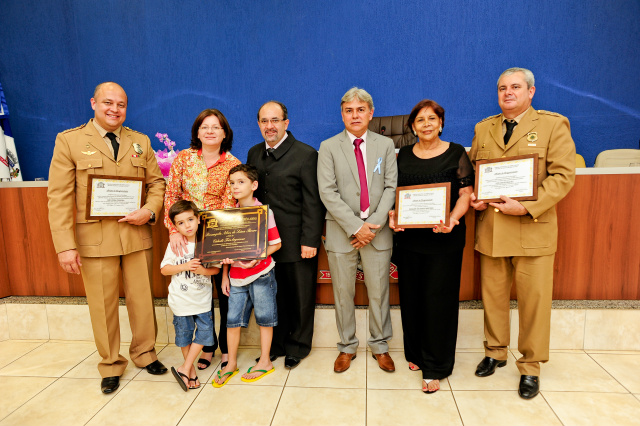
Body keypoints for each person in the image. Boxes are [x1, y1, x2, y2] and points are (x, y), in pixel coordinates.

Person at [47, 82, 168, 394]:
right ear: (93, 103)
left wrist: (150, 211)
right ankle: (111, 364)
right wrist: (65, 246)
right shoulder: (70, 141)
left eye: (121, 104)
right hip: (95, 240)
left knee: (143, 301)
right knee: (102, 305)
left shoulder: (140, 141)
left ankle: (144, 353)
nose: (115, 110)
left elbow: (156, 184)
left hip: (136, 235)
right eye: (108, 103)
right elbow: (58, 197)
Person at [468, 67, 576, 399]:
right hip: (494, 230)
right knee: (494, 298)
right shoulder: (483, 128)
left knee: (534, 303)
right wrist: (474, 196)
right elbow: (475, 173)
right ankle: (495, 352)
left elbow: (563, 176)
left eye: (515, 87)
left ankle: (530, 367)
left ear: (531, 91)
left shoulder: (552, 125)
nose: (508, 93)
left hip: (532, 228)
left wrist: (529, 206)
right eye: (502, 88)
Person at [389, 100, 473, 393]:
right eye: (420, 120)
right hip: (409, 241)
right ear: (412, 126)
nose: (426, 124)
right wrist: (392, 215)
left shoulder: (456, 152)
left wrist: (452, 218)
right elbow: (394, 194)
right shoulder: (401, 156)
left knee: (439, 302)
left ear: (441, 123)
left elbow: (466, 193)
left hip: (444, 239)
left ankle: (435, 365)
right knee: (411, 299)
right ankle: (414, 353)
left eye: (431, 119)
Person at [317, 87, 398, 373]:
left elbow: (391, 187)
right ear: (342, 114)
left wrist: (371, 226)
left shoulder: (385, 146)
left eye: (360, 110)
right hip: (342, 233)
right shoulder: (328, 146)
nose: (355, 115)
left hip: (377, 232)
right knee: (343, 293)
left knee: (379, 293)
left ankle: (380, 346)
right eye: (349, 110)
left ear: (370, 113)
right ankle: (347, 346)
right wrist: (355, 227)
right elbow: (327, 192)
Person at [246, 101, 324, 369]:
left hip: (297, 241)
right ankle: (275, 345)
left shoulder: (305, 154)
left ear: (286, 123)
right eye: (264, 121)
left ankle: (298, 347)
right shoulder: (254, 153)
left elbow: (314, 202)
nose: (270, 126)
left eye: (275, 120)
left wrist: (310, 240)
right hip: (265, 244)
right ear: (258, 125)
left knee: (300, 297)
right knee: (271, 296)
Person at [164, 109, 241, 371]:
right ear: (197, 132)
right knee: (199, 291)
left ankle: (227, 349)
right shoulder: (183, 159)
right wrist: (174, 229)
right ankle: (207, 347)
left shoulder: (233, 164)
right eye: (204, 127)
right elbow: (171, 195)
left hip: (219, 236)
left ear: (224, 133)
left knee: (225, 291)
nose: (210, 131)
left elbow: (232, 206)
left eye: (216, 127)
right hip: (186, 234)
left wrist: (226, 247)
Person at [212, 164, 282, 387]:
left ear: (254, 185)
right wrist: (225, 275)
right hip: (236, 278)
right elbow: (225, 251)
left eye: (241, 182)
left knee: (265, 318)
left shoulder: (264, 212)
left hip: (262, 274)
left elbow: (276, 244)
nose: (235, 186)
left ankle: (264, 361)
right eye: (231, 182)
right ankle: (230, 363)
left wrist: (259, 257)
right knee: (232, 321)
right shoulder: (227, 213)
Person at [160, 200, 220, 391]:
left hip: (202, 301)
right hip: (181, 300)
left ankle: (184, 367)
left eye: (190, 220)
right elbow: (164, 270)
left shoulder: (208, 243)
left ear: (198, 219)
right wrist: (184, 266)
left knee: (204, 334)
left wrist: (203, 270)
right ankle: (190, 371)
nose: (187, 225)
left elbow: (216, 270)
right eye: (181, 223)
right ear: (175, 226)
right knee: (185, 336)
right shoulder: (176, 245)